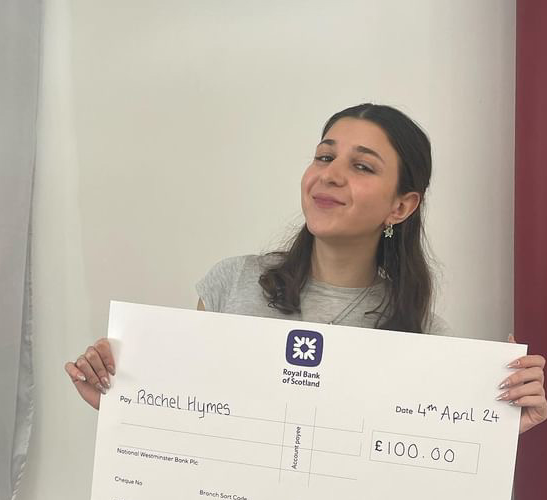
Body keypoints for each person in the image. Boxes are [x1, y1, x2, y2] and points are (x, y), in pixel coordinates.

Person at [63, 103, 546, 435]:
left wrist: (501, 423)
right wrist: (124, 396)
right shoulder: (232, 284)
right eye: (324, 156)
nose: (330, 174)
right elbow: (190, 420)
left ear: (401, 206)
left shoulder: (425, 337)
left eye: (363, 166)